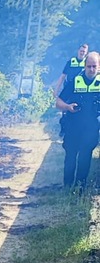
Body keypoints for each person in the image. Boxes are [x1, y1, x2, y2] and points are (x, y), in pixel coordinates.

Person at [55, 49, 100, 191]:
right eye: (89, 66)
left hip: (91, 128)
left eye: (94, 66)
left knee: (85, 156)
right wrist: (67, 107)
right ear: (85, 66)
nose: (91, 69)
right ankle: (68, 186)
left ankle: (80, 187)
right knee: (71, 156)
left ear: (99, 67)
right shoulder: (75, 81)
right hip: (73, 126)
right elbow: (58, 103)